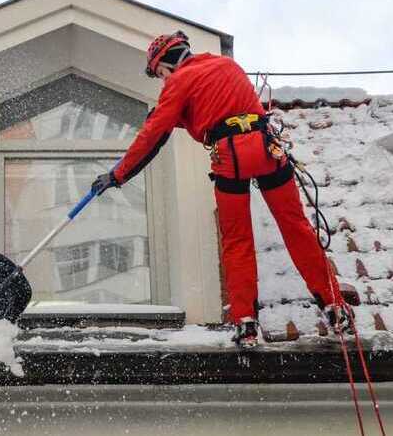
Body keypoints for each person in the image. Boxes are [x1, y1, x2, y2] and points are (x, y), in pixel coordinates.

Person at [90, 31, 354, 349]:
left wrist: (117, 175)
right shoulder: (227, 66)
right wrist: (181, 118)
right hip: (267, 147)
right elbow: (222, 107)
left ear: (168, 62)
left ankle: (245, 321)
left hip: (230, 156)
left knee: (237, 240)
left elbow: (152, 137)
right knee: (296, 226)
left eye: (160, 74)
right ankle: (334, 305)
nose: (163, 81)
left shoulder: (178, 83)